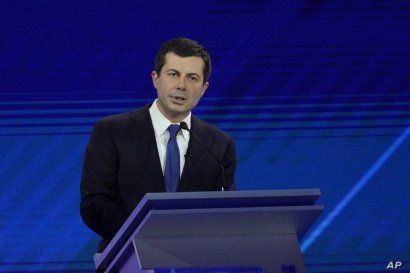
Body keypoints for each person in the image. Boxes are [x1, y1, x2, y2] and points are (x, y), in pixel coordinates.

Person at [80, 37, 237, 252]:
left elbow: (224, 210)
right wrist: (145, 241)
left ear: (204, 88)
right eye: (173, 74)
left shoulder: (219, 144)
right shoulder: (112, 131)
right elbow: (95, 203)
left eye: (192, 78)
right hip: (126, 256)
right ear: (155, 78)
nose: (181, 86)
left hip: (194, 261)